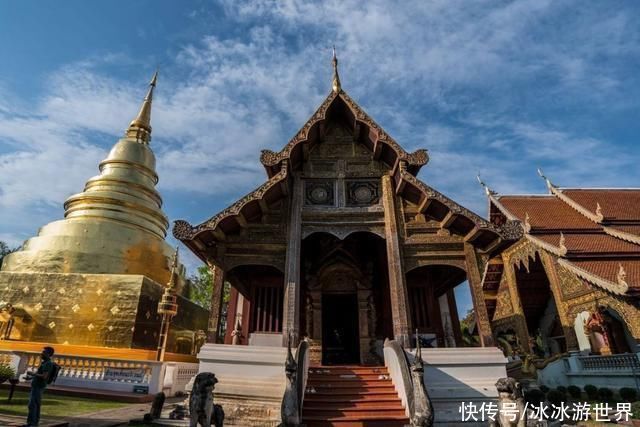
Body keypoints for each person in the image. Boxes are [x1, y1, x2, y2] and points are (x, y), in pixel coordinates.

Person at [24, 346, 55, 426]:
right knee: (35, 405)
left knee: (32, 405)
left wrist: (32, 373)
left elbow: (44, 376)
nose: (41, 354)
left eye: (44, 352)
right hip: (36, 385)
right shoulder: (45, 363)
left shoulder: (48, 364)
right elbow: (40, 374)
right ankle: (33, 423)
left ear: (49, 354)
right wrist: (30, 378)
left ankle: (32, 424)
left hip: (38, 386)